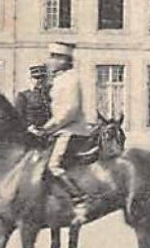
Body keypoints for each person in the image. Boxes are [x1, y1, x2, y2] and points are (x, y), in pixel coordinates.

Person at [32, 42, 92, 224]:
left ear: (64, 60)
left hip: (71, 131)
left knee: (54, 165)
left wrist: (48, 128)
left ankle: (80, 199)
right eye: (51, 56)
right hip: (60, 130)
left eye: (54, 57)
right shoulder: (60, 79)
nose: (50, 61)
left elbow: (70, 111)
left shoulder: (71, 79)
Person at [14, 64, 52, 130]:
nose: (39, 80)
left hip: (51, 130)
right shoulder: (24, 96)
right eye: (36, 78)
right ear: (31, 79)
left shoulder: (51, 94)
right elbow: (18, 117)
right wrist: (29, 127)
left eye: (42, 77)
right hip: (32, 132)